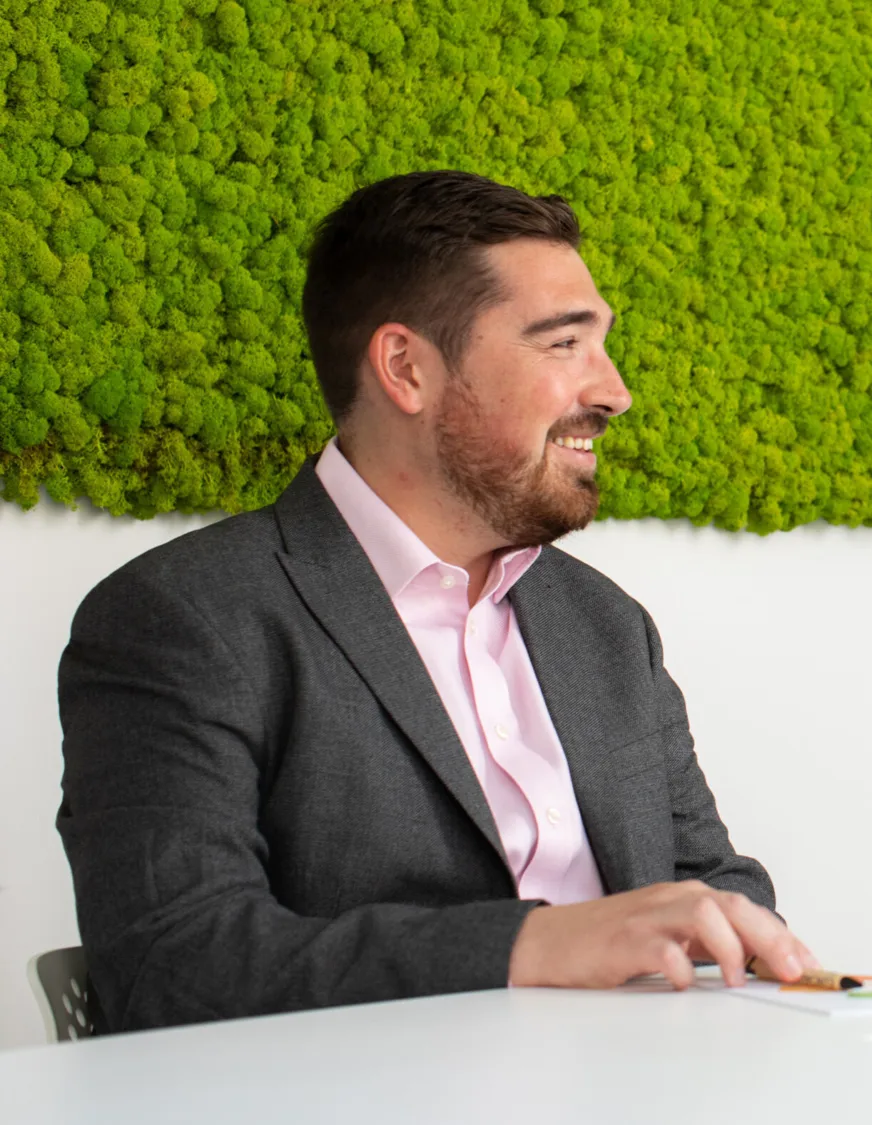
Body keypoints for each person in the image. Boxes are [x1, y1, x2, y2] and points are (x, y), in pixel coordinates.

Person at [56, 170, 815, 1033]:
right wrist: (535, 945)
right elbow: (172, 960)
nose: (612, 390)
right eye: (564, 344)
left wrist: (738, 931)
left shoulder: (606, 626)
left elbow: (712, 881)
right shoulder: (186, 619)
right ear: (406, 368)